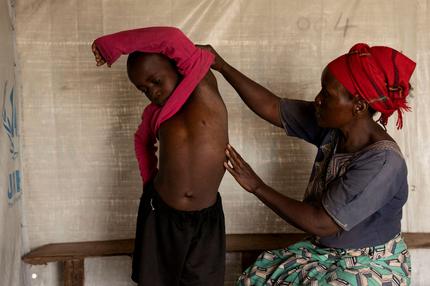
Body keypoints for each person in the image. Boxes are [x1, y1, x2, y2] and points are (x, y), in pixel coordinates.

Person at [198, 43, 415, 285]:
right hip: (326, 253)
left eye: (326, 94)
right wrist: (222, 66)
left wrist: (256, 186)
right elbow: (272, 107)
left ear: (359, 106)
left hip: (370, 264)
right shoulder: (333, 129)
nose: (317, 100)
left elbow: (320, 222)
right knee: (256, 278)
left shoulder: (382, 162)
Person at [92, 27, 228, 286]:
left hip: (206, 217)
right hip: (161, 214)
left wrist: (111, 45)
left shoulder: (200, 79)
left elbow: (171, 38)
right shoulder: (154, 113)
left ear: (177, 64)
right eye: (143, 89)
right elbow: (141, 141)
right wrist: (149, 181)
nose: (152, 91)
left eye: (156, 81)